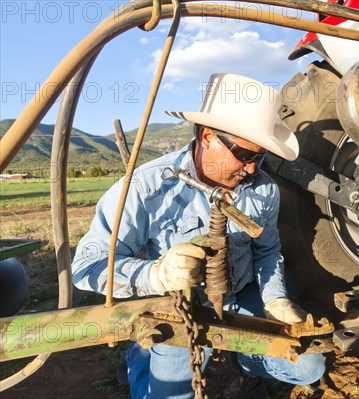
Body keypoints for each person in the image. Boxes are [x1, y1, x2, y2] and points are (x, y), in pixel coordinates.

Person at [72, 73, 326, 398]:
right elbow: (86, 266)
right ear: (208, 137)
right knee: (167, 393)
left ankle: (245, 359)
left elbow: (267, 251)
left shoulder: (263, 188)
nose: (251, 169)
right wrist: (156, 274)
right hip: (182, 309)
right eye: (246, 155)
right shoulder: (145, 188)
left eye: (260, 157)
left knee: (309, 366)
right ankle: (140, 356)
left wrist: (275, 298)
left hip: (243, 294)